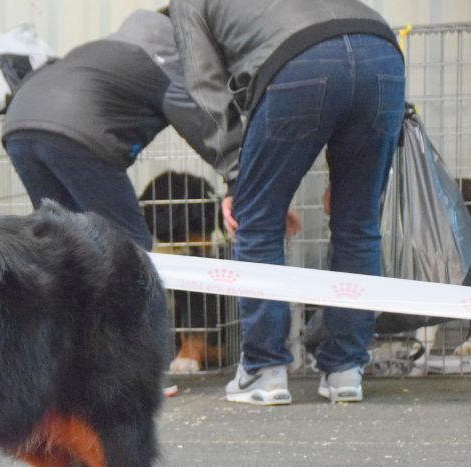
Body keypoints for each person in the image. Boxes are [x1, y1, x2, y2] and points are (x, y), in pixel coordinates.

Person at [169, 0, 405, 405]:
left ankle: (263, 371)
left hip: (299, 63)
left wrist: (235, 177)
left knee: (257, 223)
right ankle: (346, 369)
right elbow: (345, 41)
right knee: (358, 225)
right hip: (381, 54)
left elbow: (205, 89)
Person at [2, 8, 218, 252]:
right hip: (76, 130)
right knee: (129, 247)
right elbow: (197, 119)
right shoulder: (172, 56)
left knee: (61, 243)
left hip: (20, 121)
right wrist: (236, 171)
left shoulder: (111, 46)